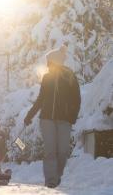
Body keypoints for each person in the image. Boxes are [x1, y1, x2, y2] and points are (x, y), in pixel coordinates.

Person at [24, 45, 81, 188]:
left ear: (55, 61)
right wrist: (29, 115)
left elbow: (77, 99)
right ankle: (50, 180)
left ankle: (57, 176)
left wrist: (72, 117)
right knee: (50, 151)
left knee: (62, 152)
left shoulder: (70, 76)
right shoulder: (47, 77)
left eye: (49, 61)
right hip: (47, 118)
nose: (47, 65)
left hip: (65, 120)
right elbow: (41, 98)